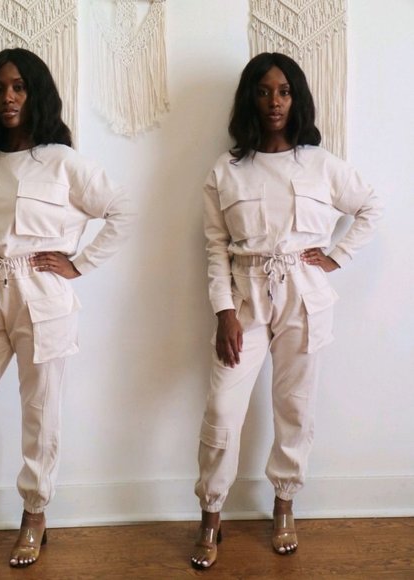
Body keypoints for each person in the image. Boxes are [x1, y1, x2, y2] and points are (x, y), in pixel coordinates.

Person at [0, 48, 134, 568]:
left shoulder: (63, 161)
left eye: (19, 87)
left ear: (35, 93)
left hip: (43, 299)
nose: (9, 97)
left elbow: (122, 210)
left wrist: (79, 264)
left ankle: (35, 514)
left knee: (39, 415)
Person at [191, 52, 382, 569]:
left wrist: (336, 256)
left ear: (296, 99)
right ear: (249, 100)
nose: (274, 102)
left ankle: (284, 504)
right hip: (245, 299)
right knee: (222, 409)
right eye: (263, 92)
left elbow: (370, 207)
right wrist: (224, 311)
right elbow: (215, 247)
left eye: (284, 92)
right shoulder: (226, 171)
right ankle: (211, 513)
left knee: (294, 407)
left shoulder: (321, 164)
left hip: (304, 297)